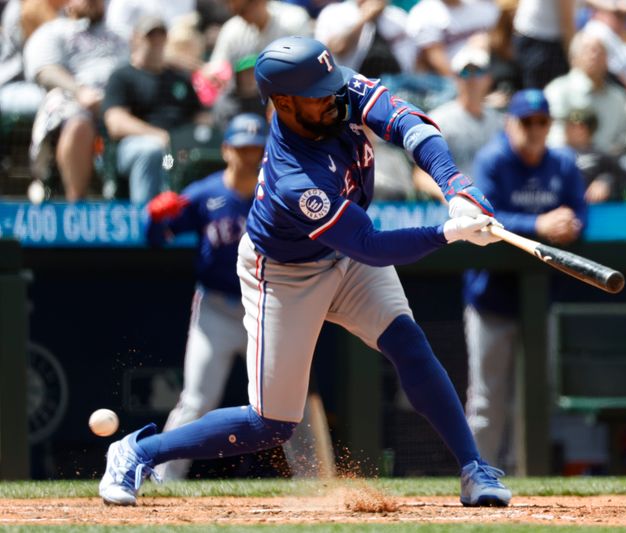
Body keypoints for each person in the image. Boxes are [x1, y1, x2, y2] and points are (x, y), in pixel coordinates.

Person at [98, 36, 512, 508]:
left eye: (332, 84)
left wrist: (454, 186)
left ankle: (474, 468)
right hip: (284, 274)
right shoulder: (295, 179)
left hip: (345, 256)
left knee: (408, 343)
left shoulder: (337, 89)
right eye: (319, 93)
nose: (335, 97)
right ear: (284, 104)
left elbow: (410, 126)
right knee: (270, 424)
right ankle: (136, 452)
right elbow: (371, 246)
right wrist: (448, 233)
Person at [464, 89, 587, 470]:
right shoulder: (493, 160)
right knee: (487, 399)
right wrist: (539, 224)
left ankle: (526, 473)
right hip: (491, 299)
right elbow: (481, 216)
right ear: (509, 123)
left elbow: (580, 213)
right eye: (526, 121)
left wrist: (569, 224)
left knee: (534, 396)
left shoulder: (563, 163)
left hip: (540, 300)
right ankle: (479, 473)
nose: (534, 130)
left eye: (541, 122)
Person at [144, 113, 268, 480]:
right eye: (242, 148)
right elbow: (156, 240)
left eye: (256, 149)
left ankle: (320, 484)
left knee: (292, 405)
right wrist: (153, 220)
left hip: (265, 309)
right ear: (226, 150)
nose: (249, 156)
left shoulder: (275, 195)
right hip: (214, 309)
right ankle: (163, 479)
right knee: (196, 400)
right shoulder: (204, 194)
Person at [23, 0, 128, 200]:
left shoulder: (120, 34)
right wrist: (79, 91)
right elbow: (45, 71)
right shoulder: (53, 31)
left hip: (121, 103)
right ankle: (76, 202)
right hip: (74, 102)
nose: (92, 3)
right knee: (79, 123)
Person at [102, 16, 204, 203]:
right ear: (136, 38)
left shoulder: (179, 78)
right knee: (153, 152)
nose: (156, 41)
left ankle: (194, 219)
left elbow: (201, 117)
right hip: (136, 147)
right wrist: (160, 136)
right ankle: (147, 220)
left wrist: (196, 137)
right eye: (150, 36)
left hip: (179, 150)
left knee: (204, 154)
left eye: (161, 35)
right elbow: (115, 123)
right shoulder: (123, 76)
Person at [413, 44, 504, 199]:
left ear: (488, 78)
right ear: (455, 78)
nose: (472, 79)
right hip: (455, 203)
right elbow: (420, 174)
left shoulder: (499, 122)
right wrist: (449, 196)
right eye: (465, 72)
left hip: (493, 200)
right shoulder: (438, 120)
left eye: (478, 71)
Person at [544, 31, 626, 154]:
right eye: (589, 50)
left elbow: (623, 137)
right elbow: (551, 136)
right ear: (573, 58)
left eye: (601, 51)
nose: (595, 55)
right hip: (568, 162)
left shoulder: (618, 98)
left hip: (608, 165)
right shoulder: (558, 91)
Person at [314, 0, 416, 77]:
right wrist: (365, 18)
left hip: (397, 85)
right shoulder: (334, 13)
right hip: (352, 85)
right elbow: (338, 47)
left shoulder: (397, 16)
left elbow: (414, 60)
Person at [511, 0, 574, 89]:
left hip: (536, 39)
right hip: (541, 44)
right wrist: (573, 58)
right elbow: (566, 21)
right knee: (537, 96)